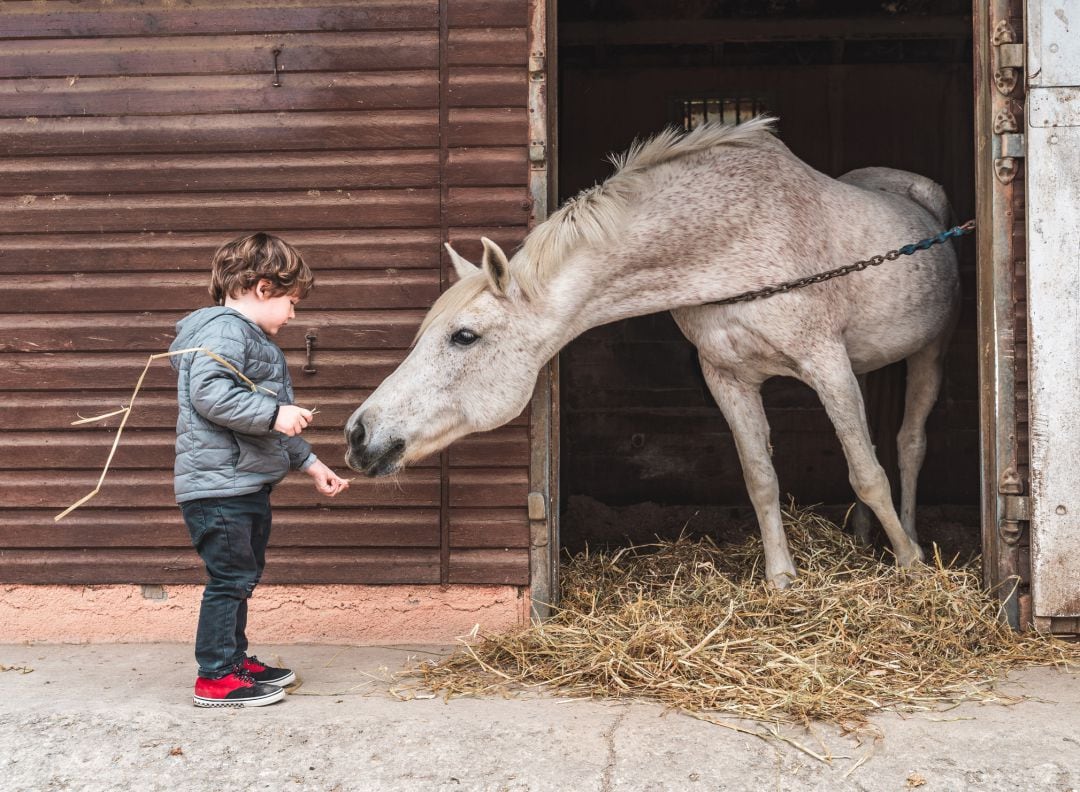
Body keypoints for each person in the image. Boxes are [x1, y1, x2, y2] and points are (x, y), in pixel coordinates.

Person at [170, 232, 350, 708]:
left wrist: (312, 464)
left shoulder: (247, 337)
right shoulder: (225, 330)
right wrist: (274, 413)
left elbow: (268, 429)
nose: (293, 315)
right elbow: (209, 395)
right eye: (291, 302)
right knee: (230, 578)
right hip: (219, 488)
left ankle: (233, 658)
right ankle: (215, 677)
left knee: (241, 576)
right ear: (263, 288)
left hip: (241, 484)